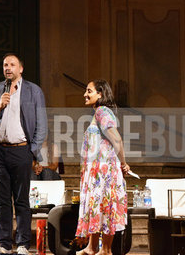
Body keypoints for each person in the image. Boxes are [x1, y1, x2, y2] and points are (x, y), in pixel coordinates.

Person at [0, 53, 47, 255]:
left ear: (21, 69)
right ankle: (5, 244)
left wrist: (32, 150)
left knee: (22, 200)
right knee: (3, 201)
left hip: (22, 150)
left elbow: (41, 125)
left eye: (12, 65)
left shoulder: (34, 91)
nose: (8, 68)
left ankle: (23, 244)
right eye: (5, 65)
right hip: (0, 151)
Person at [75, 79, 130, 255]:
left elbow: (117, 139)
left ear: (100, 94)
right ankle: (92, 247)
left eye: (89, 91)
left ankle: (105, 250)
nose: (85, 94)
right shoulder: (98, 113)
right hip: (97, 170)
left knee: (105, 206)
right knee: (96, 205)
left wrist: (123, 163)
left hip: (105, 171)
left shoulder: (102, 111)